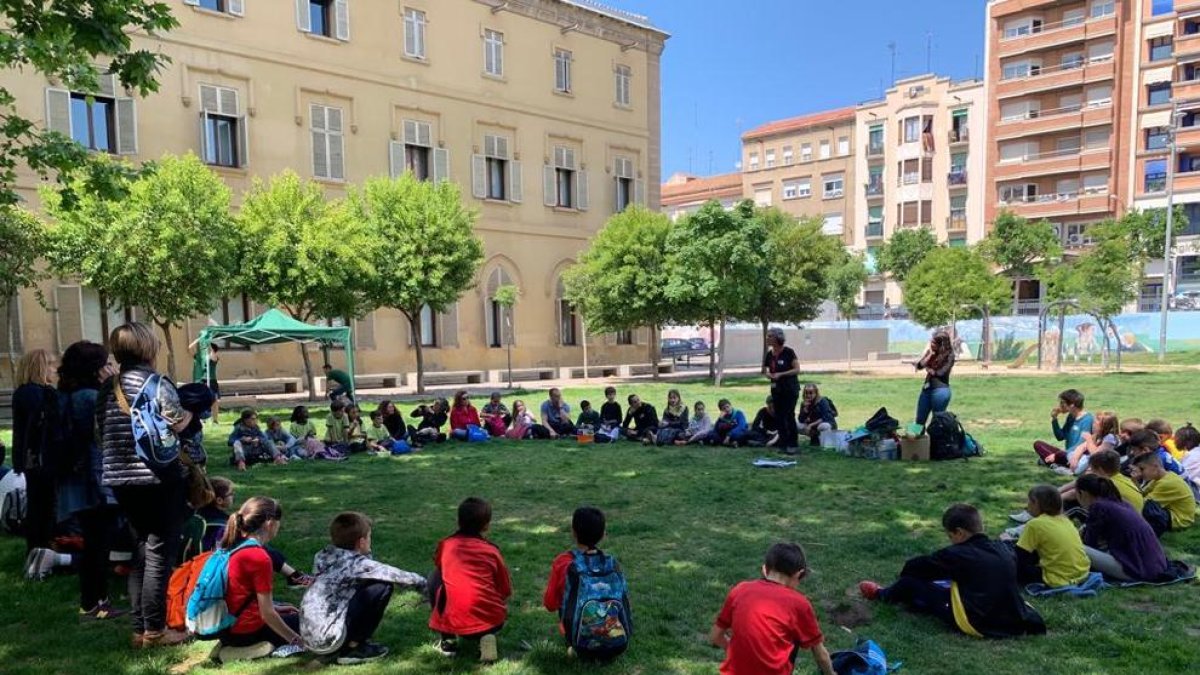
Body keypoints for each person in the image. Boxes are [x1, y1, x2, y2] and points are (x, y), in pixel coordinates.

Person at [98, 323, 194, 648]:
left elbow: (100, 432)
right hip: (157, 477)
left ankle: (140, 628)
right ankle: (155, 630)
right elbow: (177, 421)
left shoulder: (108, 387)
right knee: (158, 554)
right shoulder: (154, 382)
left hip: (119, 477)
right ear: (147, 348)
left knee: (140, 549)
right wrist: (192, 416)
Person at [859, 504, 1046, 638]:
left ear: (960, 533)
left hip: (977, 620)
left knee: (910, 583)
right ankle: (916, 601)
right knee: (943, 585)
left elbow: (914, 567)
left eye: (950, 536)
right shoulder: (1004, 548)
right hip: (1014, 616)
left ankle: (882, 594)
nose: (950, 541)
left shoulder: (957, 554)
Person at [48, 342, 123, 619]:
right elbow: (115, 426)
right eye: (104, 363)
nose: (109, 368)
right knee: (98, 544)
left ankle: (93, 600)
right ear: (94, 368)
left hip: (77, 479)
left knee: (94, 542)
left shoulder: (65, 395)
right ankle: (96, 603)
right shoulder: (90, 397)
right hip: (95, 480)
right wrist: (114, 387)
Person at [300, 512, 427, 665]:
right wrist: (431, 588)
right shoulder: (356, 564)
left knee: (369, 583)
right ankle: (354, 648)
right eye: (369, 537)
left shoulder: (322, 556)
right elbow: (399, 576)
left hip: (309, 634)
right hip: (330, 638)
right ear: (361, 542)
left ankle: (343, 645)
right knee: (381, 587)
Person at [710, 542, 834, 675]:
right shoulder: (799, 603)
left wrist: (741, 654)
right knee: (795, 635)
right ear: (799, 574)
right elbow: (821, 656)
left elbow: (716, 636)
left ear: (765, 569)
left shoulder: (740, 589)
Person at [214, 497, 303, 662]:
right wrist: (297, 640)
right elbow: (267, 614)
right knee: (306, 622)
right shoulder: (259, 557)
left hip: (223, 626)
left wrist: (278, 608)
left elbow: (242, 594)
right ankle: (247, 648)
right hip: (246, 632)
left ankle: (228, 645)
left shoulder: (231, 543)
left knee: (287, 609)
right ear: (269, 523)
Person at [180, 479, 313, 587]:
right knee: (257, 546)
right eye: (231, 494)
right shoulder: (220, 526)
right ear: (219, 501)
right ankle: (294, 576)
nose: (234, 496)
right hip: (210, 576)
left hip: (189, 570)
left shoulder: (197, 515)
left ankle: (293, 575)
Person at [428, 497, 513, 664]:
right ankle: (486, 636)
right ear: (486, 525)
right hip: (493, 619)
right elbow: (505, 588)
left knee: (435, 577)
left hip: (455, 621)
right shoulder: (492, 550)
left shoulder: (446, 545)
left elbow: (439, 564)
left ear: (458, 521)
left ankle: (448, 641)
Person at [542, 506, 628, 654]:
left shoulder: (563, 562)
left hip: (574, 634)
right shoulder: (611, 564)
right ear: (603, 535)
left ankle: (575, 645)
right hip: (614, 632)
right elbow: (624, 600)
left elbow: (550, 604)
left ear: (573, 532)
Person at [1075, 474, 1169, 582]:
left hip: (1138, 570)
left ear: (1082, 493)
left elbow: (1089, 542)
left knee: (1077, 547)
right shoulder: (1122, 504)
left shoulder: (1098, 507)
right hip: (1156, 565)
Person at [12, 349, 60, 557]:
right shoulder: (34, 393)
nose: (54, 369)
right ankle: (41, 548)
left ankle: (39, 548)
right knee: (43, 506)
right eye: (50, 364)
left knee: (40, 504)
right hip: (39, 458)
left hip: (33, 458)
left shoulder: (25, 392)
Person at [1001, 485, 1089, 588]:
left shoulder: (1035, 524)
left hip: (1059, 578)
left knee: (1006, 561)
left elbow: (1019, 558)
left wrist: (1006, 543)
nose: (1027, 506)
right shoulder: (1065, 520)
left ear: (1036, 504)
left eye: (1029, 502)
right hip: (1082, 572)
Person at [1133, 452, 1196, 536]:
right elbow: (1141, 494)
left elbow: (1142, 503)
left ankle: (1147, 536)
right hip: (1169, 512)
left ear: (1155, 466)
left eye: (1142, 469)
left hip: (1180, 520)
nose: (1141, 473)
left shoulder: (1168, 483)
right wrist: (1135, 481)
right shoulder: (1162, 477)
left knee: (1148, 508)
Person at [1032, 389, 1093, 472]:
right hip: (1065, 454)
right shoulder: (1071, 417)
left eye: (1062, 403)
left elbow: (1080, 444)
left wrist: (1057, 455)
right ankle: (1057, 463)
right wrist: (1054, 419)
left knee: (1059, 455)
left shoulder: (1088, 419)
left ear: (1072, 405)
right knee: (1038, 444)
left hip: (1077, 456)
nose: (1060, 406)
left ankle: (1055, 463)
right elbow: (1060, 437)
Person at [762, 327, 801, 454]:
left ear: (777, 338)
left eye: (770, 336)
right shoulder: (769, 354)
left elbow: (796, 369)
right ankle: (782, 443)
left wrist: (781, 374)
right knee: (779, 417)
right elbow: (766, 369)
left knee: (789, 415)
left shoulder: (789, 352)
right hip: (776, 389)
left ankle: (793, 444)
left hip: (790, 389)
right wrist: (768, 374)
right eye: (767, 336)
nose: (767, 338)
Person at [914, 331, 955, 429]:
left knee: (937, 422)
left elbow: (941, 372)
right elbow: (919, 366)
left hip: (940, 391)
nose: (931, 344)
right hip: (927, 390)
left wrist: (930, 370)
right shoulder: (931, 353)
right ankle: (915, 442)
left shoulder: (949, 355)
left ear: (941, 344)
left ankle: (935, 443)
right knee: (919, 421)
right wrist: (929, 356)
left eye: (933, 343)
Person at [1065, 411, 1119, 476]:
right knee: (1071, 453)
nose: (1093, 426)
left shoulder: (1110, 438)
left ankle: (1075, 470)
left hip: (1102, 466)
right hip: (1092, 462)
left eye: (1095, 424)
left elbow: (1097, 455)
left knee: (1087, 459)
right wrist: (1075, 459)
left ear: (1105, 427)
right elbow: (1081, 447)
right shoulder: (1097, 435)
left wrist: (1089, 440)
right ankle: (1074, 467)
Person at [1176, 423, 1200, 499]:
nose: (1175, 441)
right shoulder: (1195, 452)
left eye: (1177, 439)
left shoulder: (1192, 457)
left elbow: (1183, 476)